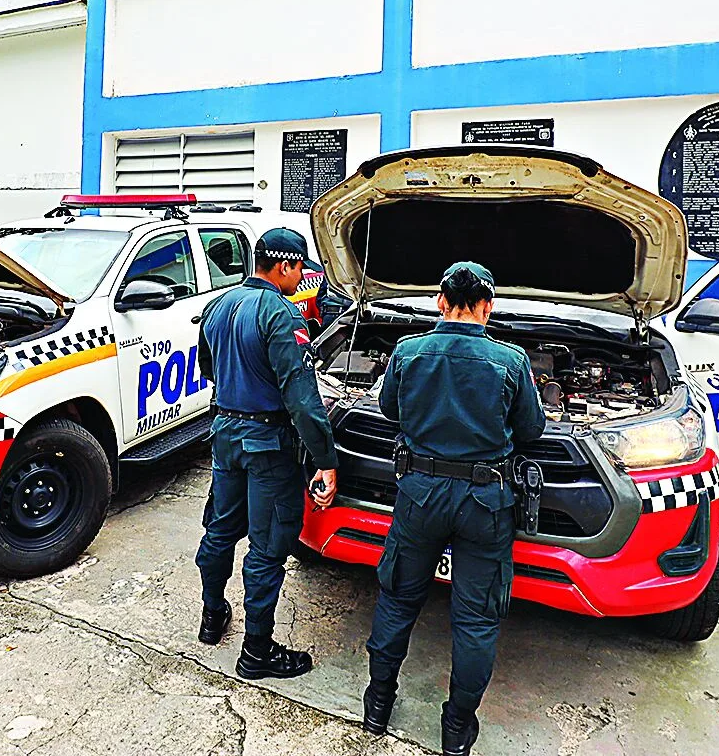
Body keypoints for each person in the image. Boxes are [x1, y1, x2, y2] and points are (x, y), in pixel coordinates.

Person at [360, 262, 545, 756]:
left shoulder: (408, 352)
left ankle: (377, 706)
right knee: (476, 619)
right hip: (485, 503)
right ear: (488, 306)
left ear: (440, 302)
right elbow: (531, 429)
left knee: (398, 598)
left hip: (419, 495)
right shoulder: (511, 361)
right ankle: (456, 730)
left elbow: (388, 411)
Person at [193, 227, 338, 680]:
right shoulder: (281, 315)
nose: (302, 279)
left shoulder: (217, 306)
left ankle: (212, 617)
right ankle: (257, 652)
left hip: (226, 436)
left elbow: (208, 369)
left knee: (219, 531)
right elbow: (302, 399)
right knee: (267, 549)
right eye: (300, 270)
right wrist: (327, 460)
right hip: (270, 448)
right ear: (284, 265)